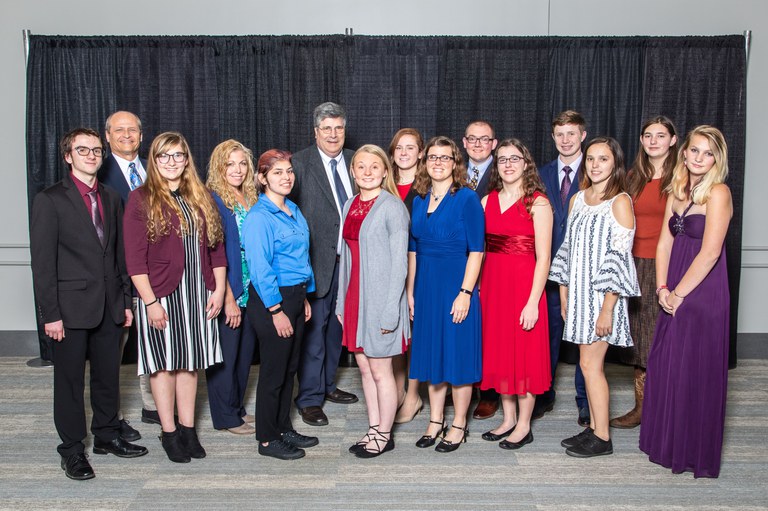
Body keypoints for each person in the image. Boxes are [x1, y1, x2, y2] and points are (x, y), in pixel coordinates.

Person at [30, 128, 148, 481]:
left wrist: (125, 300)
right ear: (68, 156)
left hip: (110, 304)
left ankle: (107, 435)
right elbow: (43, 264)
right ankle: (71, 451)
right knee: (69, 382)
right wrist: (50, 314)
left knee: (108, 377)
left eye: (97, 150)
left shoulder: (111, 197)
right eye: (84, 150)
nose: (92, 155)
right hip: (68, 310)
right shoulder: (50, 200)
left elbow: (117, 255)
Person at [123, 132, 226, 463]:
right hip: (161, 295)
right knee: (163, 366)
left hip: (199, 293)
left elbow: (217, 250)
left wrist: (220, 290)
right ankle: (169, 433)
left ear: (186, 160)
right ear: (154, 161)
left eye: (177, 155)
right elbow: (135, 261)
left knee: (190, 364)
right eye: (163, 156)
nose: (171, 162)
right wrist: (150, 303)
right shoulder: (140, 199)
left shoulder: (201, 196)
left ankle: (188, 430)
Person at [639, 126, 733, 478]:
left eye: (707, 153)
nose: (698, 158)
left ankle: (692, 451)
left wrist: (680, 294)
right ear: (685, 153)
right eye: (694, 150)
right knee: (667, 364)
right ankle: (667, 443)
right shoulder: (677, 190)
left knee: (693, 368)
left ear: (716, 160)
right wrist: (663, 287)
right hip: (673, 286)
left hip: (702, 291)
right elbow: (664, 244)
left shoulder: (718, 193)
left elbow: (710, 252)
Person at [550, 136, 639, 458]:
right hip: (577, 297)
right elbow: (568, 250)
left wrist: (606, 310)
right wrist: (563, 294)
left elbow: (619, 259)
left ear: (615, 163)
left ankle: (602, 436)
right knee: (587, 366)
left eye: (603, 159)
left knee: (591, 365)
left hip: (603, 299)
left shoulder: (620, 201)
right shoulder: (577, 199)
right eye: (591, 159)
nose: (595, 165)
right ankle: (593, 428)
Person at [408, 136, 484, 453]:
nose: (438, 163)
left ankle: (459, 424)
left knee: (457, 357)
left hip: (456, 285)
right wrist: (411, 293)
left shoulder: (467, 198)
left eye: (445, 157)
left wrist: (465, 292)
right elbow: (413, 249)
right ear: (425, 163)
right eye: (433, 157)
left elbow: (478, 251)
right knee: (431, 356)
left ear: (455, 163)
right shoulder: (417, 200)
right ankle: (436, 420)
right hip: (425, 287)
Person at [242, 149, 319, 460]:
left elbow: (302, 257)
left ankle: (283, 427)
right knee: (274, 372)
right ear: (262, 178)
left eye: (289, 171)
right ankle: (267, 438)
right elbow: (260, 270)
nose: (286, 177)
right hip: (272, 300)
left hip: (296, 296)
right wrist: (277, 311)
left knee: (290, 370)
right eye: (277, 173)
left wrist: (306, 297)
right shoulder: (259, 217)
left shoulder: (294, 210)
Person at [337, 145, 411, 458]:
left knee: (381, 371)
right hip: (355, 298)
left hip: (381, 302)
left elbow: (400, 264)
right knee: (365, 369)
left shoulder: (392, 207)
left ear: (384, 171)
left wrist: (390, 311)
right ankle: (373, 427)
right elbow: (344, 259)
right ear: (353, 172)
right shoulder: (350, 204)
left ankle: (384, 434)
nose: (368, 172)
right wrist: (341, 302)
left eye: (374, 167)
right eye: (361, 167)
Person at [479, 139, 553, 450]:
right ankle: (508, 418)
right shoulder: (486, 201)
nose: (508, 164)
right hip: (494, 288)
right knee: (499, 353)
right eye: (502, 159)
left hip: (524, 289)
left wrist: (533, 302)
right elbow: (479, 251)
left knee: (523, 356)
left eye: (515, 158)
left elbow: (544, 258)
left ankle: (524, 424)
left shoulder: (538, 203)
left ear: (526, 164)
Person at [290, 102, 359, 427]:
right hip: (316, 262)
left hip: (351, 262)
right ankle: (309, 398)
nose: (333, 134)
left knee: (337, 331)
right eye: (326, 129)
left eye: (339, 128)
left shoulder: (357, 160)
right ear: (316, 132)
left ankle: (328, 384)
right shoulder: (299, 163)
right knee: (314, 333)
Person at [611, 116, 678, 429]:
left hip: (665, 263)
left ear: (673, 141)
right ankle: (642, 407)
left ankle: (664, 407)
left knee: (658, 336)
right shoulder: (632, 176)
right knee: (638, 337)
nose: (653, 141)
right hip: (632, 262)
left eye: (660, 135)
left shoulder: (682, 176)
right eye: (648, 135)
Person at [98, 110, 156, 435]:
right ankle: (112, 418)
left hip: (154, 273)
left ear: (141, 135)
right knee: (113, 351)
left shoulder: (155, 167)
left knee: (154, 343)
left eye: (132, 130)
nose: (126, 135)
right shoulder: (99, 171)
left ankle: (152, 405)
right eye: (118, 130)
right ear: (107, 136)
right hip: (117, 276)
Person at [536, 110, 590, 426]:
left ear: (582, 135)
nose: (566, 140)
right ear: (553, 137)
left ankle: (585, 400)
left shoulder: (598, 169)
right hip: (549, 268)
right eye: (560, 134)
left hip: (585, 269)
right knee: (548, 334)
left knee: (585, 338)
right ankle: (544, 394)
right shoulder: (541, 173)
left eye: (572, 133)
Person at [204, 140, 259, 435]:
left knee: (244, 353)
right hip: (230, 287)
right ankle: (225, 416)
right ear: (219, 167)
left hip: (252, 288)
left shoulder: (249, 196)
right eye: (230, 164)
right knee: (225, 354)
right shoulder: (213, 199)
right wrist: (227, 298)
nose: (237, 170)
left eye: (242, 163)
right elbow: (215, 251)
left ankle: (236, 408)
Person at [462, 120, 501, 421]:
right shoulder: (454, 172)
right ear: (464, 143)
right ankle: (462, 384)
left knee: (489, 325)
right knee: (462, 323)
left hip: (492, 258)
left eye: (484, 139)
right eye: (472, 139)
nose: (477, 144)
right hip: (457, 258)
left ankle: (488, 393)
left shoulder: (505, 171)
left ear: (494, 143)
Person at [387, 128, 425, 424]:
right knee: (396, 332)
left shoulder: (427, 187)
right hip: (388, 268)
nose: (404, 153)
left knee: (416, 335)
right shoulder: (383, 183)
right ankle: (398, 391)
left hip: (420, 266)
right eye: (399, 147)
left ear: (420, 153)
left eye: (410, 148)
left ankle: (413, 396)